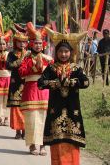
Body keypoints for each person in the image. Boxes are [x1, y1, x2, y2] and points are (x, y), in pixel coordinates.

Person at [38, 28, 88, 165]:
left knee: (72, 141)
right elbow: (40, 83)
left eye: (66, 51)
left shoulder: (76, 68)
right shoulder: (51, 68)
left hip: (72, 110)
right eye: (60, 51)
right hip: (56, 109)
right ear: (56, 52)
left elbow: (85, 82)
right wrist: (55, 83)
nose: (63, 54)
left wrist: (71, 82)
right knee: (57, 141)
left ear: (71, 52)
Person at [18, 22, 53, 156]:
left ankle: (43, 146)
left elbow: (52, 74)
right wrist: (33, 67)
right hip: (30, 91)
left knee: (44, 119)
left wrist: (42, 68)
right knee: (32, 120)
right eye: (35, 43)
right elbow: (21, 72)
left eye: (40, 43)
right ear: (31, 44)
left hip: (44, 92)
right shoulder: (26, 57)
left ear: (43, 44)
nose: (38, 45)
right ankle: (33, 145)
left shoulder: (48, 59)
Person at [6, 26, 28, 139]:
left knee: (25, 108)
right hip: (15, 83)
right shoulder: (11, 54)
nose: (22, 44)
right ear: (16, 42)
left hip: (26, 84)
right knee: (16, 108)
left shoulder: (30, 54)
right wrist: (21, 59)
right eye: (20, 42)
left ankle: (25, 130)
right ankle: (18, 130)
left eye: (24, 42)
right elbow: (9, 66)